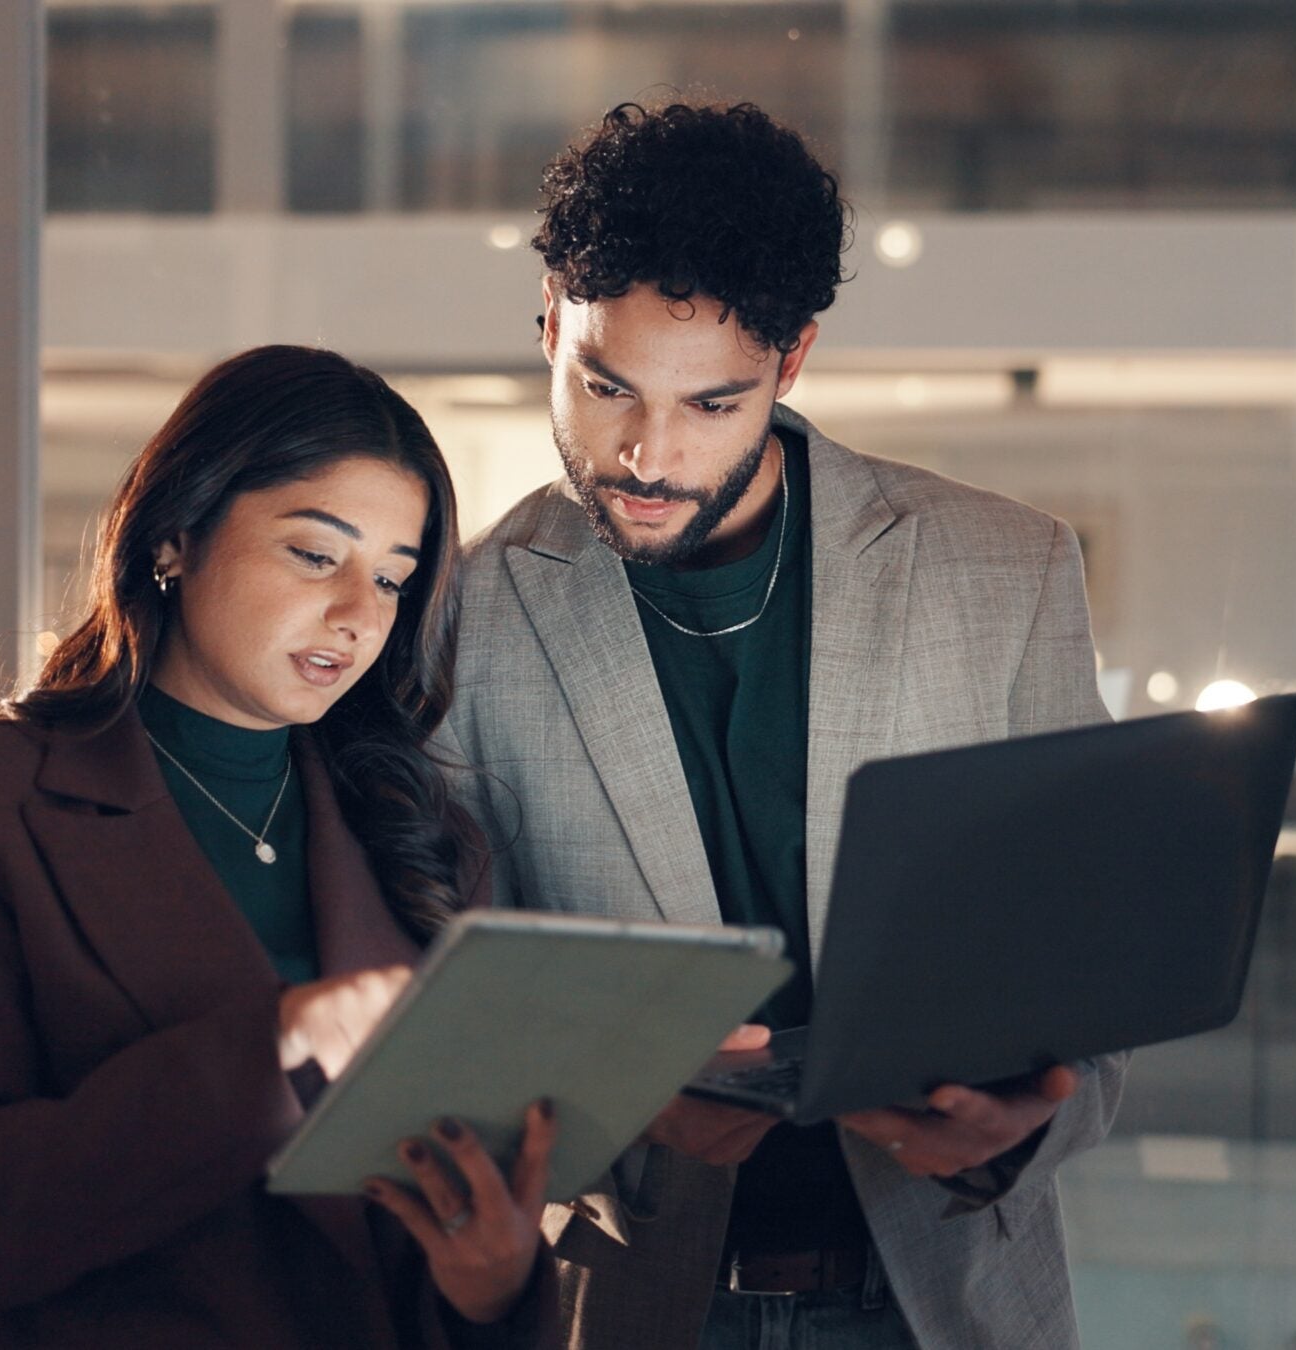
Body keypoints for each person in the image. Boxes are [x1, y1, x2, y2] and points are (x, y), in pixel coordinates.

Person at [440, 102, 1131, 1350]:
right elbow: (439, 1016)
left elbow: (1093, 993)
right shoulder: (456, 619)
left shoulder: (1004, 569)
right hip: (639, 1304)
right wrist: (632, 1109)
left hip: (947, 1299)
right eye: (605, 386)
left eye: (712, 403)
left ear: (793, 361)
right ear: (549, 321)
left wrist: (1019, 1123)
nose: (647, 455)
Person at [0, 345, 555, 1349]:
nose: (357, 617)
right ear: (175, 535)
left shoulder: (421, 833)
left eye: (393, 581)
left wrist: (491, 1286)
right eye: (316, 556)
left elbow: (421, 1245)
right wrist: (272, 1047)